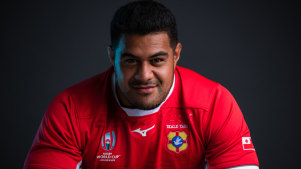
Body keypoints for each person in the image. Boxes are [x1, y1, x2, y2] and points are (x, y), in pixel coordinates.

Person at [24, 1, 259, 169]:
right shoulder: (71, 109)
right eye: (130, 61)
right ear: (111, 56)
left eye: (157, 60)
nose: (144, 74)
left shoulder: (214, 103)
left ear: (176, 54)